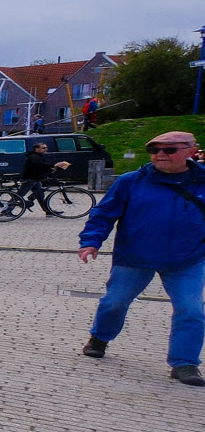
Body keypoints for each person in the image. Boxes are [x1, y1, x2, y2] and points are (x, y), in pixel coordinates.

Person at [77, 131, 205, 385]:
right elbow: (103, 214)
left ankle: (185, 363)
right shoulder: (131, 181)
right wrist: (90, 241)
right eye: (154, 150)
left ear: (191, 151)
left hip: (187, 260)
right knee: (115, 302)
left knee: (191, 310)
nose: (160, 154)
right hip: (135, 256)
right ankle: (100, 337)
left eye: (169, 150)